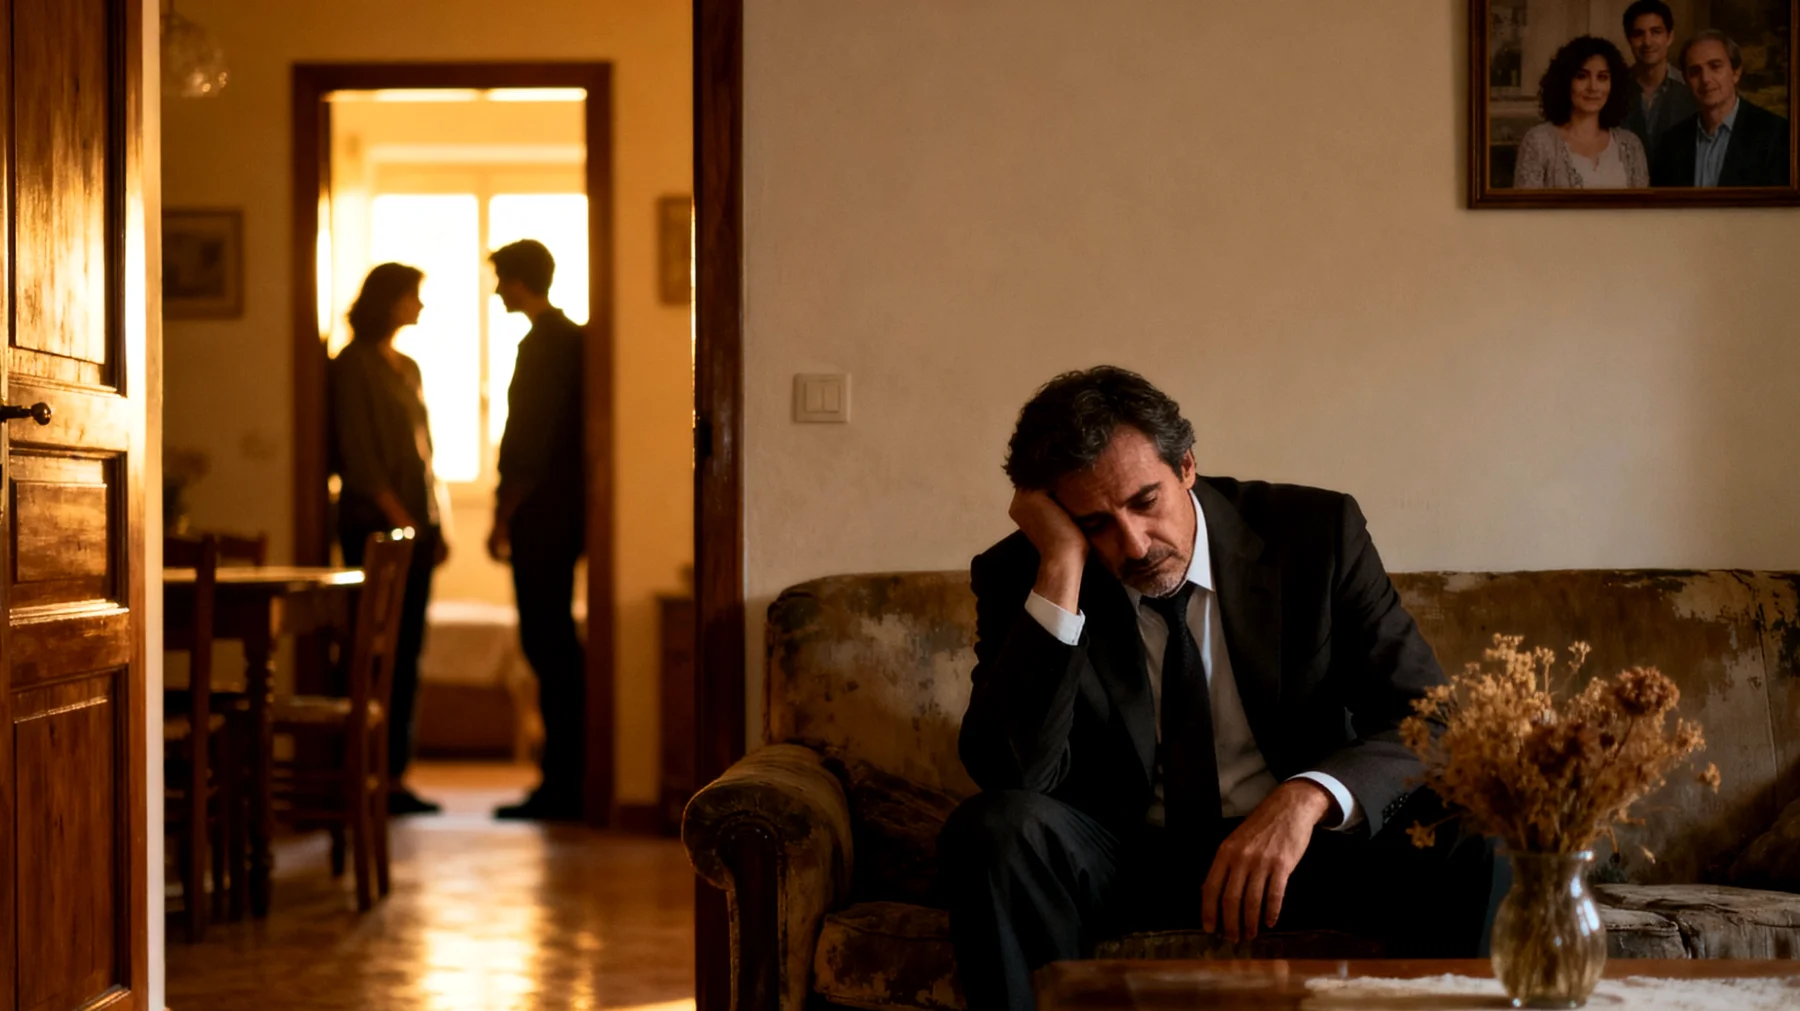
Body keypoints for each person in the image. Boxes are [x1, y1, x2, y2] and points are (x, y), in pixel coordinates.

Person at [939, 367, 1504, 1011]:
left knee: (1482, 830)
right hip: (1131, 859)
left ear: (1186, 466)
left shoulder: (1315, 533)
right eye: (1095, 523)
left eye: (1145, 502)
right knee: (993, 830)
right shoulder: (1026, 572)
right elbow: (1013, 776)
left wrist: (1309, 797)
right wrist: (1062, 565)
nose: (1133, 545)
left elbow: (1428, 720)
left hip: (1304, 853)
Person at [328, 262, 448, 816]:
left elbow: (424, 455)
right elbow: (358, 454)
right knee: (374, 647)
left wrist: (434, 523)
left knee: (408, 648)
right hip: (374, 528)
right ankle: (365, 771)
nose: (419, 306)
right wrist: (403, 520)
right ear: (389, 300)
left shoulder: (409, 367)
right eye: (412, 296)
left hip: (415, 529)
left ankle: (396, 772)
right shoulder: (352, 365)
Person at [485, 239, 587, 822]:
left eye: (501, 279)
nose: (497, 290)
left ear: (521, 281)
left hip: (543, 515)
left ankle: (561, 783)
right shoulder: (569, 339)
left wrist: (503, 515)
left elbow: (527, 439)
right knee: (554, 643)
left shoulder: (545, 344)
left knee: (546, 643)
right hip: (561, 513)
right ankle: (564, 777)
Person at [1651, 30, 1791, 187]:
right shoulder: (1671, 143)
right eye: (1695, 71)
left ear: (1736, 73)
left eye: (1715, 67)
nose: (1705, 79)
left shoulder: (1777, 134)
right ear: (1686, 80)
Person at [1514, 36, 1648, 189]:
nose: (1593, 87)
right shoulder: (1538, 142)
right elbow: (1525, 204)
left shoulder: (1631, 145)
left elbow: (1642, 204)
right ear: (1565, 82)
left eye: (1602, 77)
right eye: (1582, 76)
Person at [1620, 1, 1698, 166]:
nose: (1647, 42)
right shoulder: (1613, 89)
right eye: (1639, 34)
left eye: (1656, 32)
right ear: (1629, 39)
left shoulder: (1691, 88)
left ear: (1669, 37)